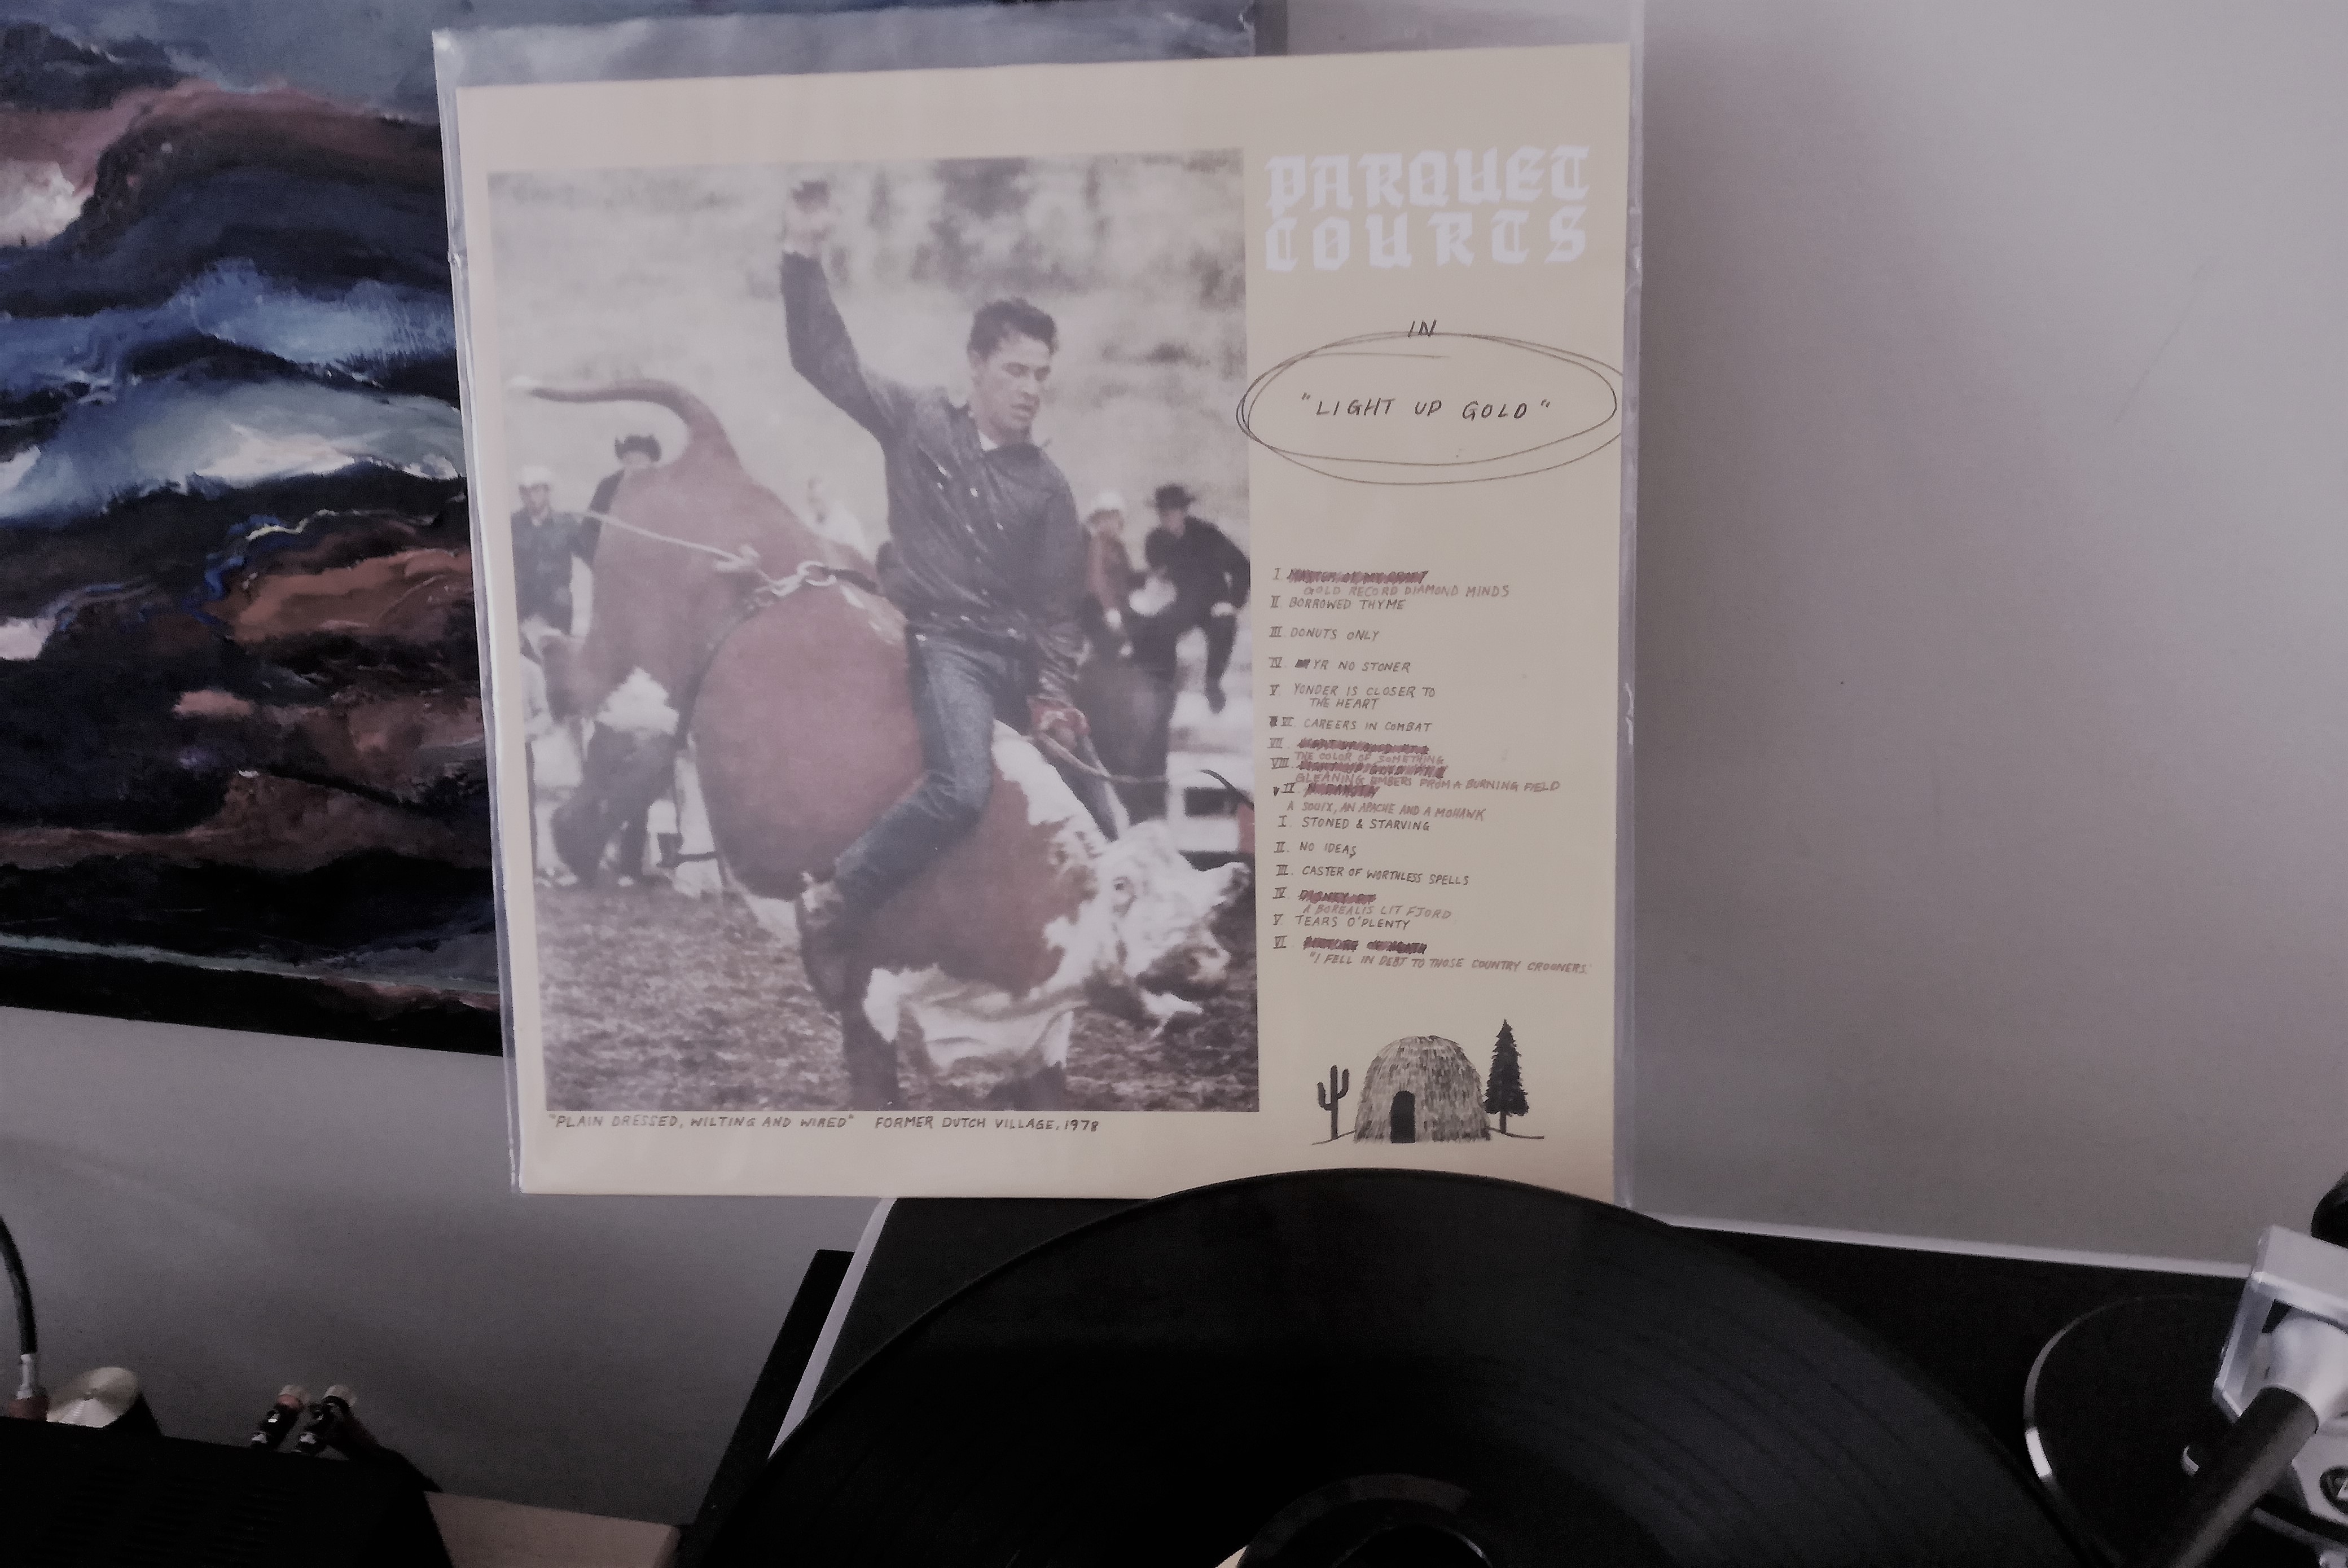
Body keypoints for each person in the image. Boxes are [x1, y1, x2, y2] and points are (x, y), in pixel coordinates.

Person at [776, 181, 1117, 1000]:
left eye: (1041, 374)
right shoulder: (916, 419)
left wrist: (1053, 697)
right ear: (976, 366)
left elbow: (1057, 612)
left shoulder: (1049, 488)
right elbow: (823, 359)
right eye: (1015, 370)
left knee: (1102, 811)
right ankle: (836, 898)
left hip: (1018, 662)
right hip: (946, 649)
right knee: (962, 789)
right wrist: (804, 253)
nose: (1031, 388)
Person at [1137, 482, 1250, 712]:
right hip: (1184, 603)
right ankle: (1165, 688)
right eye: (1163, 513)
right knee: (1159, 628)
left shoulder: (1207, 535)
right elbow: (1157, 579)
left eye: (1173, 511)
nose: (1168, 518)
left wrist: (1233, 603)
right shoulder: (1156, 541)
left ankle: (1213, 683)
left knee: (1224, 624)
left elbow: (1242, 566)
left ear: (1184, 511)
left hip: (1214, 602)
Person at [510, 465, 599, 643]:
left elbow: (593, 558)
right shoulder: (512, 525)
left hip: (556, 603)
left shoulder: (566, 524)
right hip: (522, 602)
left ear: (547, 492)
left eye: (536, 491)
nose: (531, 497)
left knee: (557, 648)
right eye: (525, 492)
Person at [1077, 490, 1139, 660]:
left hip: (1119, 603)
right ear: (1097, 521)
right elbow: (1097, 580)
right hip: (1099, 606)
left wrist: (1148, 578)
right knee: (1113, 651)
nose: (1111, 523)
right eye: (1105, 518)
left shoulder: (1118, 547)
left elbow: (1128, 576)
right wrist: (1110, 608)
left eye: (1114, 518)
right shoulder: (1097, 545)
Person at [587, 433, 660, 517]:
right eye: (629, 461)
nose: (634, 466)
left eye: (639, 460)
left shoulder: (660, 489)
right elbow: (591, 520)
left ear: (651, 464)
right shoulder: (607, 486)